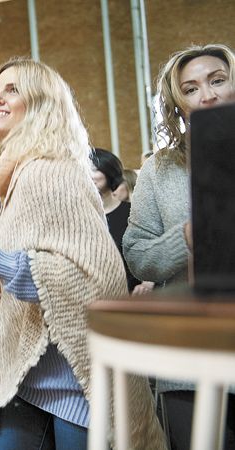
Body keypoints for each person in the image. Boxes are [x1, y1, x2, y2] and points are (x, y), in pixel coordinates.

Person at [0, 58, 164, 449]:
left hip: (75, 379)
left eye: (13, 89)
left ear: (40, 104)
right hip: (31, 375)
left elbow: (97, 275)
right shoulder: (21, 174)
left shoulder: (52, 171)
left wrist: (4, 265)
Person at [123, 43, 235, 450]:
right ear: (177, 104)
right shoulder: (159, 169)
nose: (206, 95)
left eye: (218, 81)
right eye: (190, 89)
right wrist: (185, 238)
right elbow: (137, 255)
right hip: (191, 352)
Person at [90, 148, 154, 295]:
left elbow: (149, 250)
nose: (89, 175)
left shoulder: (132, 212)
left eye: (94, 169)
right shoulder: (81, 216)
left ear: (109, 172)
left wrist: (147, 284)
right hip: (94, 296)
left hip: (131, 294)